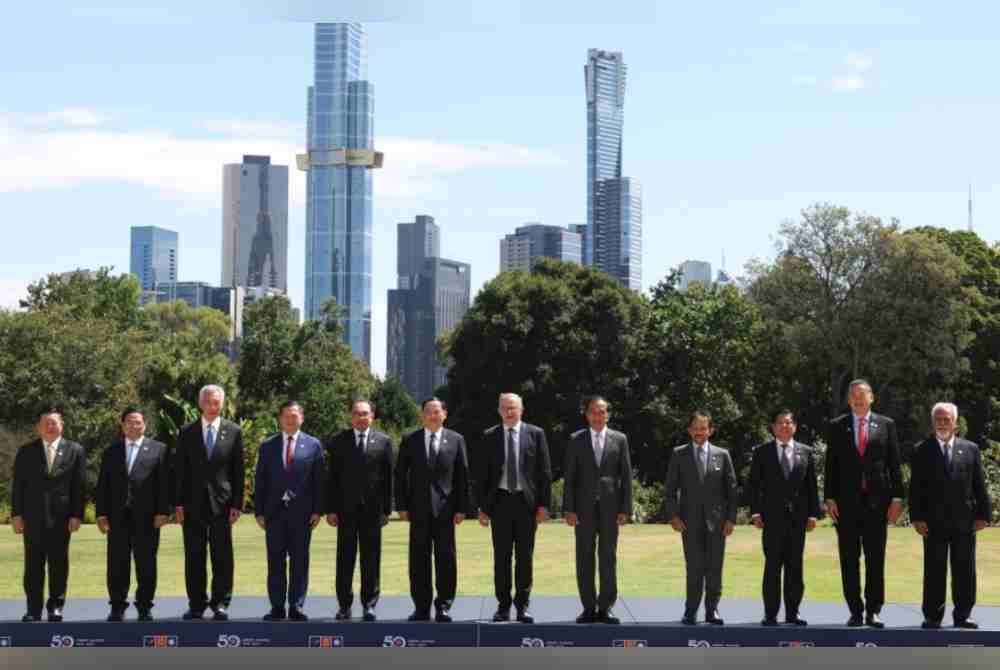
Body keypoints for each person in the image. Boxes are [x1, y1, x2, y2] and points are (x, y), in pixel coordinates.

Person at [824, 379, 903, 628]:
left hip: (877, 505)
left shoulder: (886, 425)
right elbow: (830, 465)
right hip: (846, 505)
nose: (858, 399)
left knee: (875, 559)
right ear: (849, 400)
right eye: (853, 395)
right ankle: (855, 611)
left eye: (862, 394)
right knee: (849, 559)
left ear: (872, 398)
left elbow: (894, 464)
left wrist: (897, 498)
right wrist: (829, 498)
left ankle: (873, 610)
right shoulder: (837, 426)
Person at [909, 402, 992, 629]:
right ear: (932, 422)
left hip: (965, 521)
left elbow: (979, 484)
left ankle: (963, 615)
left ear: (955, 423)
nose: (942, 424)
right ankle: (933, 616)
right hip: (932, 522)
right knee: (934, 570)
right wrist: (916, 517)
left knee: (965, 570)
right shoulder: (921, 450)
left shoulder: (971, 449)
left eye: (947, 420)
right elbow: (915, 488)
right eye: (938, 420)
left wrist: (984, 515)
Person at [394, 397, 471, 622]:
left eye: (437, 411)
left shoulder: (456, 439)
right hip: (417, 510)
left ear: (444, 414)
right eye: (428, 411)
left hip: (446, 510)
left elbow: (462, 476)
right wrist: (401, 506)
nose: (432, 415)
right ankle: (421, 607)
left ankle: (444, 606)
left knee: (446, 559)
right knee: (419, 560)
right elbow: (400, 476)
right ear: (422, 415)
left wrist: (462, 508)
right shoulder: (410, 439)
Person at [478, 393, 552, 623]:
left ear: (521, 410)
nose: (509, 412)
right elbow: (482, 476)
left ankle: (522, 606)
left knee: (524, 558)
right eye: (505, 408)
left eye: (513, 408)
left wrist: (544, 505)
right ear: (499, 410)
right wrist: (483, 507)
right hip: (499, 502)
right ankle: (503, 607)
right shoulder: (489, 436)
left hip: (526, 504)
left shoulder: (536, 434)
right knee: (501, 558)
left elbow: (544, 473)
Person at [174, 384, 245, 621]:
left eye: (216, 403)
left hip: (222, 505)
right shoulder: (186, 432)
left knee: (222, 556)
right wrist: (178, 503)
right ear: (200, 403)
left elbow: (238, 471)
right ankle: (196, 604)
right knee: (194, 556)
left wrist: (237, 504)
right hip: (192, 505)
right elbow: (179, 470)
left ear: (222, 404)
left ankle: (220, 603)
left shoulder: (233, 431)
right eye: (208, 402)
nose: (212, 407)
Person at [562, 395, 632, 625]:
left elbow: (626, 476)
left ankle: (606, 608)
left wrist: (625, 508)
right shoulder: (576, 439)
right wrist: (569, 509)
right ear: (587, 414)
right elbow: (570, 476)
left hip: (611, 509)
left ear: (608, 415)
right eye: (593, 411)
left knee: (608, 558)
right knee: (584, 558)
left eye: (602, 412)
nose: (598, 416)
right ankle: (588, 608)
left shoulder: (620, 439)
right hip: (582, 510)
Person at [95, 408, 170, 622]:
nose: (133, 425)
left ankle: (145, 606)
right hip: (117, 518)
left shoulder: (159, 449)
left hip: (147, 518)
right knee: (117, 564)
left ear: (144, 425)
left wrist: (163, 511)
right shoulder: (111, 451)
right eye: (129, 422)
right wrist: (101, 514)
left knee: (146, 563)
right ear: (122, 425)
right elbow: (103, 485)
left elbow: (165, 483)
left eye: (138, 422)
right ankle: (117, 606)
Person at [664, 410, 738, 626]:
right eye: (695, 428)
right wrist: (673, 516)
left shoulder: (722, 455)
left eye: (703, 428)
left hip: (718, 523)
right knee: (694, 568)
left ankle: (712, 610)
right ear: (689, 430)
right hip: (689, 522)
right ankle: (691, 611)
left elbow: (732, 490)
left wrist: (731, 519)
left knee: (715, 568)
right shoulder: (679, 454)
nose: (699, 432)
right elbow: (670, 490)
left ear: (710, 430)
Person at [11, 409, 85, 622]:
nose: (50, 427)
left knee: (58, 564)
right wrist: (16, 514)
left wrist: (77, 514)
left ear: (62, 425)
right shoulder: (26, 451)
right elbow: (18, 485)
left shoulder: (75, 450)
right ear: (38, 427)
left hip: (62, 518)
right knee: (33, 565)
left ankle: (56, 607)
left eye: (54, 423)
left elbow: (79, 486)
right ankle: (33, 609)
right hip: (32, 517)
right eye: (46, 423)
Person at [748, 410, 821, 626]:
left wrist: (813, 514)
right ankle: (770, 614)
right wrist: (755, 513)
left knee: (795, 567)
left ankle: (793, 613)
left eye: (788, 423)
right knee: (772, 567)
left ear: (795, 427)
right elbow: (754, 485)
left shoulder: (806, 452)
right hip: (771, 519)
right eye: (780, 423)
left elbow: (811, 486)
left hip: (798, 520)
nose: (784, 426)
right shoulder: (762, 452)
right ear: (773, 427)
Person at [255, 401, 325, 621]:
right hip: (274, 514)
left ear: (301, 418)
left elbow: (319, 480)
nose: (290, 419)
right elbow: (260, 480)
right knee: (275, 562)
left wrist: (317, 510)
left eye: (294, 416)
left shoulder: (313, 445)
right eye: (286, 415)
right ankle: (277, 607)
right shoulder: (268, 445)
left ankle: (296, 606)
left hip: (302, 514)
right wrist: (259, 511)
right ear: (280, 419)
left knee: (300, 562)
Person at [326, 398, 394, 622]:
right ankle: (344, 606)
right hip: (345, 511)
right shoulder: (338, 441)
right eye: (356, 413)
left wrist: (386, 510)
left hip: (373, 512)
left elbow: (388, 478)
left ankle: (369, 605)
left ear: (372, 416)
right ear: (351, 416)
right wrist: (331, 509)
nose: (361, 417)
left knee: (371, 559)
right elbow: (332, 478)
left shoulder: (384, 441)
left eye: (365, 413)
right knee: (345, 559)